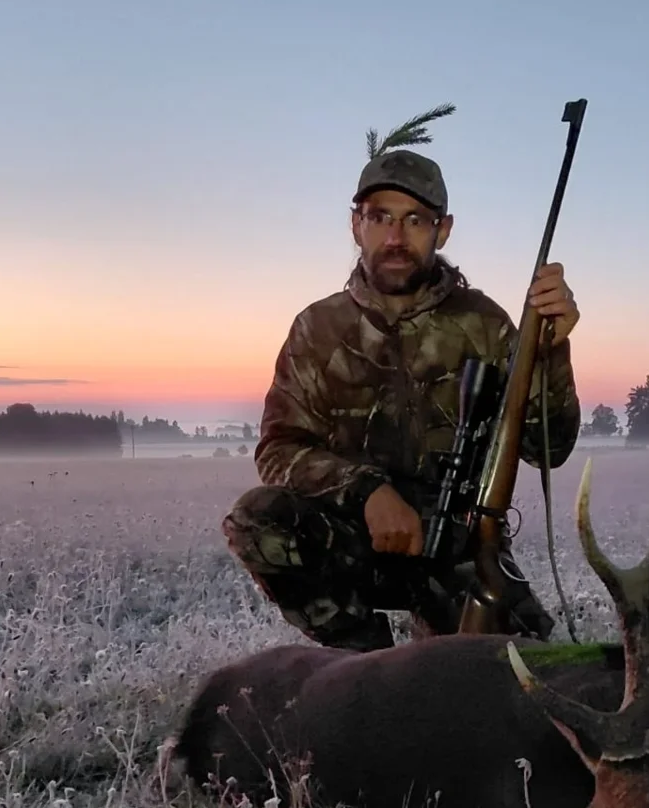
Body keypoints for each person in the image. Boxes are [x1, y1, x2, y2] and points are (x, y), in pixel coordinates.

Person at [223, 145, 581, 651]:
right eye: (380, 217)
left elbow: (550, 448)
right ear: (356, 226)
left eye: (415, 219)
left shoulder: (485, 325)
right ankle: (365, 662)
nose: (395, 237)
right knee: (259, 518)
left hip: (457, 547)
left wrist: (551, 352)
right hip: (350, 538)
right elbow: (278, 449)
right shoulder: (317, 329)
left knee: (526, 678)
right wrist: (368, 492)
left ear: (443, 229)